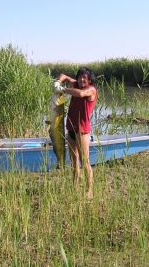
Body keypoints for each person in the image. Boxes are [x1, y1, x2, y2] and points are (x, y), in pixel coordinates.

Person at [53, 68, 97, 199]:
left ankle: (90, 191)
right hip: (70, 127)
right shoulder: (76, 84)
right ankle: (75, 186)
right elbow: (64, 76)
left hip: (82, 130)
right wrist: (57, 82)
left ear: (89, 80)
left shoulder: (91, 90)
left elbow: (81, 94)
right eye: (80, 77)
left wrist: (62, 89)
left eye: (85, 78)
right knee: (74, 161)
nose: (82, 80)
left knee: (85, 161)